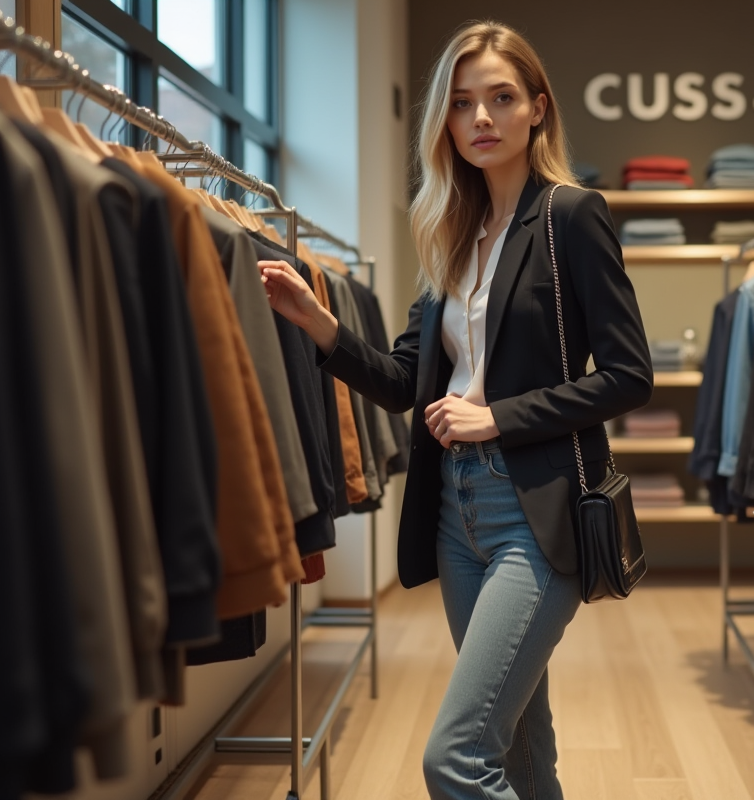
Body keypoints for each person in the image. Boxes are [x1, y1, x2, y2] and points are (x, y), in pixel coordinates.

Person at [258, 20, 651, 800]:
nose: (481, 118)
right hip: (456, 516)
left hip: (536, 515)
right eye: (463, 102)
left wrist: (498, 416)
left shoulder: (571, 215)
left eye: (501, 98)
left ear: (537, 108)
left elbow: (629, 376)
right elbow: (408, 382)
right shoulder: (451, 232)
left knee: (456, 757)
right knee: (519, 748)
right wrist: (321, 326)